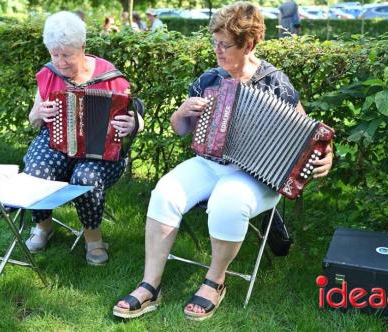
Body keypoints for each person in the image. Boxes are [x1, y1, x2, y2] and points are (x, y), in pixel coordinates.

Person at [113, 1, 332, 320]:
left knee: (229, 200)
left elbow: (310, 134)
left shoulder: (275, 82)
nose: (217, 50)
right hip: (209, 163)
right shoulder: (209, 79)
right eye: (214, 42)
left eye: (225, 44)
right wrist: (181, 114)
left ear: (250, 44)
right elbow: (180, 130)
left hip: (255, 176)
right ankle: (151, 285)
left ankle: (215, 281)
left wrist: (324, 157)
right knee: (165, 191)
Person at [24, 11, 144, 266]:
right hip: (57, 143)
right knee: (36, 170)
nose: (60, 62)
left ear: (83, 47)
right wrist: (38, 112)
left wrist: (133, 123)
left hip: (100, 150)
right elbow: (34, 121)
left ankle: (93, 239)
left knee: (86, 178)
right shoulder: (47, 74)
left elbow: (136, 118)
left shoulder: (111, 77)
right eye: (54, 54)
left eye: (66, 54)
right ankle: (43, 227)